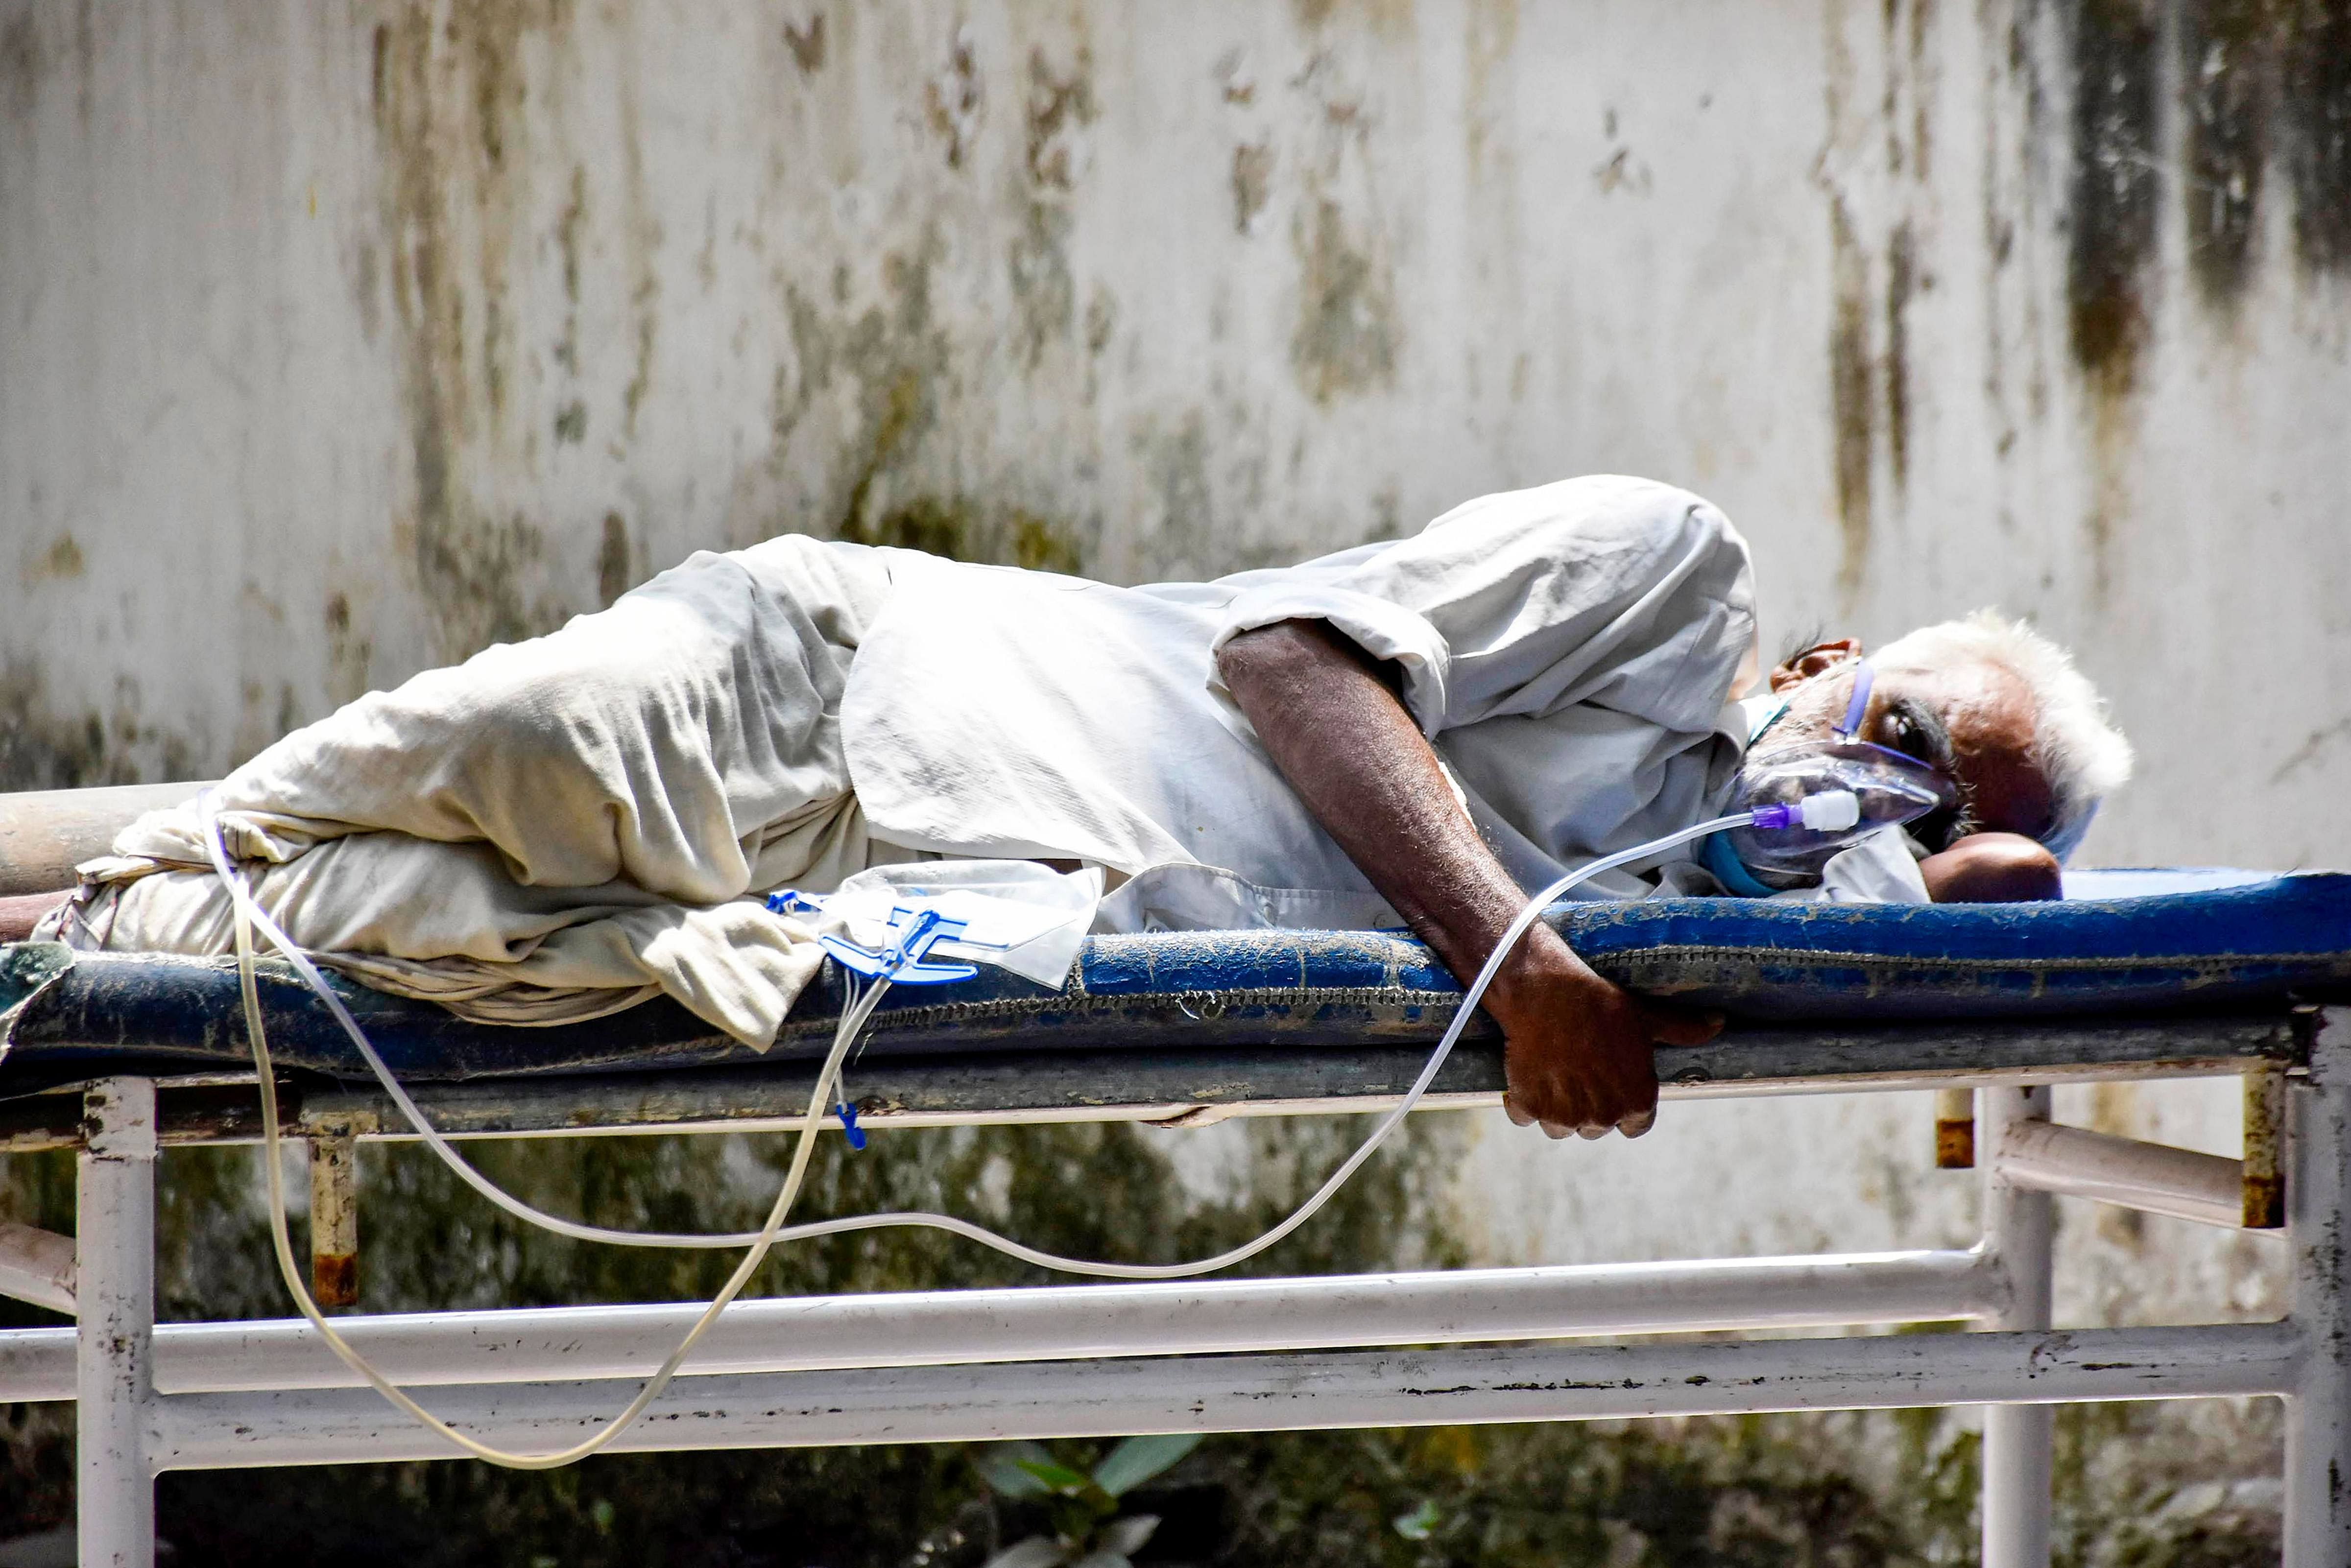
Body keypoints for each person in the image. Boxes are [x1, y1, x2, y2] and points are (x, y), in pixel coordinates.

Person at [4, 475, 2133, 1139]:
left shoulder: (1719, 904)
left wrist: (1966, 842)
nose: (1884, 777)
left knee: (353, 920)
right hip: (850, 684)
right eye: (1899, 718)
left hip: (921, 895)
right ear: (1807, 666)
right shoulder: (1671, 579)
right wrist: (1522, 964)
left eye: (1924, 791)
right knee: (459, 775)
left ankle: (43, 934)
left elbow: (1995, 895)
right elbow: (1293, 666)